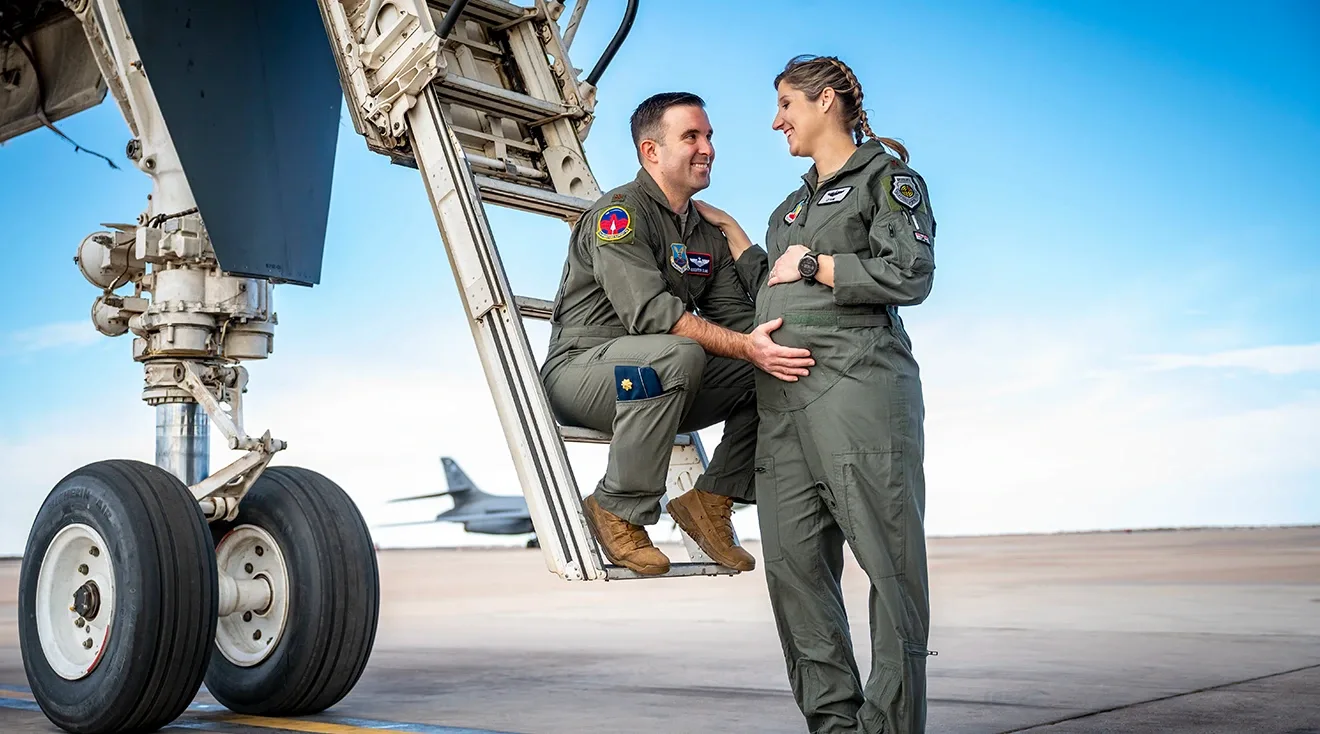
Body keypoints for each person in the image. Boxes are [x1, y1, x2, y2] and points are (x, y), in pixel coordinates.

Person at [695, 56, 936, 733]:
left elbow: (910, 272)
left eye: (785, 105)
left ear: (825, 100)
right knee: (795, 572)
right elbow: (771, 287)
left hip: (858, 390)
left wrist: (817, 262)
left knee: (891, 572)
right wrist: (741, 240)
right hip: (782, 405)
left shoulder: (889, 181)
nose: (777, 120)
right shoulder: (787, 210)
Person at [541, 92, 815, 576]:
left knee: (778, 368)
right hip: (583, 372)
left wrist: (771, 339)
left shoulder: (705, 232)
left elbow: (737, 322)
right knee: (678, 351)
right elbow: (652, 314)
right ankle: (616, 506)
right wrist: (744, 346)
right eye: (691, 136)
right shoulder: (620, 214)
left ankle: (711, 500)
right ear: (651, 152)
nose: (706, 147)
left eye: (708, 136)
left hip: (661, 381)